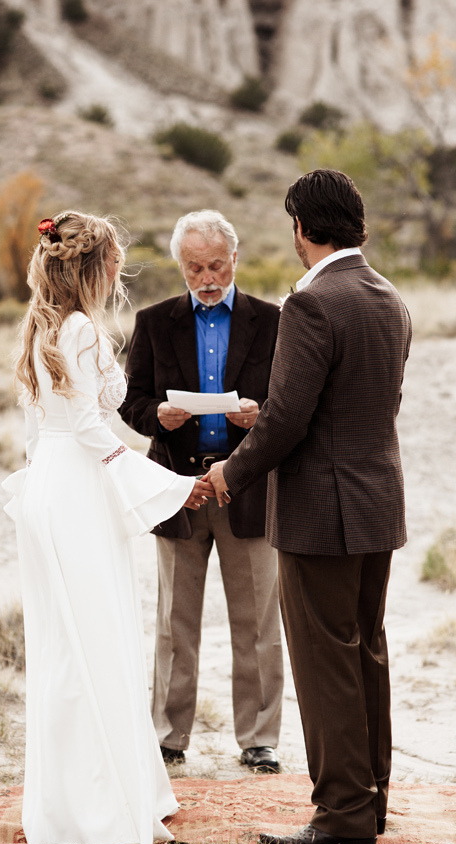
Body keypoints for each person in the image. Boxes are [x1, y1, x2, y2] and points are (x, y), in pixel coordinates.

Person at [206, 169, 411, 844]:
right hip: (377, 499)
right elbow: (358, 406)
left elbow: (290, 418)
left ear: (302, 226)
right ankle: (372, 798)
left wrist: (230, 473)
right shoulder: (390, 298)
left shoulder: (312, 302)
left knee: (324, 661)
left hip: (321, 511)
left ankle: (341, 814)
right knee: (366, 650)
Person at [3, 210, 215, 844]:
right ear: (96, 269)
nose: (122, 270)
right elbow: (95, 432)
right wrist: (167, 484)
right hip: (80, 491)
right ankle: (104, 803)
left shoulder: (40, 328)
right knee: (98, 636)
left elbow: (40, 432)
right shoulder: (83, 331)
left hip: (47, 488)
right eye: (116, 261)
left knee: (63, 643)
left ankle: (64, 801)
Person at [119, 210, 284, 773]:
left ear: (235, 259)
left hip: (247, 488)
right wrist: (154, 417)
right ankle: (168, 736)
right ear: (180, 266)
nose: (207, 277)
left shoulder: (275, 320)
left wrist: (259, 419)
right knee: (174, 623)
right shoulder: (153, 321)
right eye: (194, 268)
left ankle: (259, 739)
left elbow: (288, 406)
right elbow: (129, 399)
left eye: (216, 265)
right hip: (176, 489)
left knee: (259, 624)